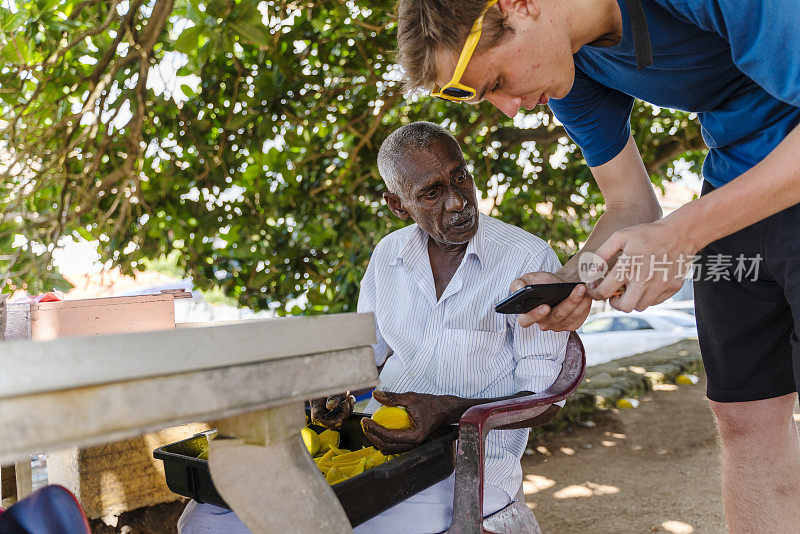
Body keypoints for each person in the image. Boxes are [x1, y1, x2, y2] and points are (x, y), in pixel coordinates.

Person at [394, 0, 800, 531]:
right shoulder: (569, 68)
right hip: (735, 189)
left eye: (495, 81)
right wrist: (572, 281)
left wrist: (681, 234)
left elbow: (668, 227)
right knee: (744, 415)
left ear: (520, 6)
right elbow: (631, 204)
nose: (510, 108)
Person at [177, 121, 569, 533]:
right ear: (398, 205)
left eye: (460, 177)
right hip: (379, 450)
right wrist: (335, 387)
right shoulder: (388, 256)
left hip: (468, 467)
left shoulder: (527, 258)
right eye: (432, 193)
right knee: (207, 517)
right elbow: (367, 355)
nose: (457, 201)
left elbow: (545, 399)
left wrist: (450, 411)